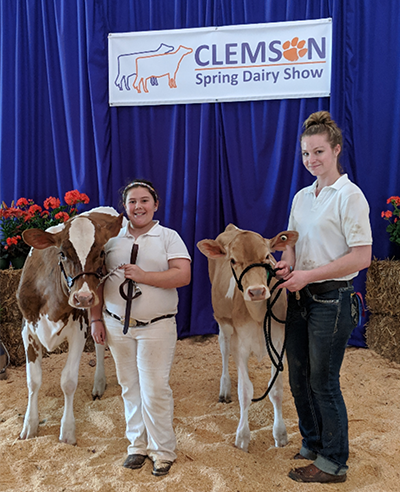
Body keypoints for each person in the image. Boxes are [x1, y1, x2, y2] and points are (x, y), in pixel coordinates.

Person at [275, 111, 372, 484]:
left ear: (335, 150)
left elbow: (361, 257)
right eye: (305, 154)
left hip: (333, 300)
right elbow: (294, 244)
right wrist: (287, 266)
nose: (311, 160)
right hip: (302, 298)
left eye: (318, 152)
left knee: (323, 381)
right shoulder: (302, 196)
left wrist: (308, 276)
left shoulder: (349, 196)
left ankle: (333, 462)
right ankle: (313, 443)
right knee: (298, 377)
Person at [91, 179, 191, 477]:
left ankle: (162, 451)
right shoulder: (110, 240)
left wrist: (144, 276)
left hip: (156, 326)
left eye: (144, 200)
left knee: (155, 388)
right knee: (129, 386)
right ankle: (137, 445)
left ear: (155, 204)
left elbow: (183, 275)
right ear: (125, 207)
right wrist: (96, 318)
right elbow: (94, 279)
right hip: (116, 324)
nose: (138, 206)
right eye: (132, 201)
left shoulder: (168, 237)